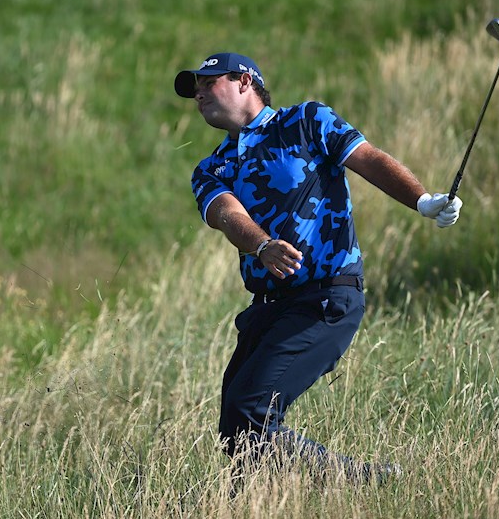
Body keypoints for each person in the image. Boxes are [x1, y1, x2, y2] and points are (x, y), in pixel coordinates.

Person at [174, 52, 462, 483]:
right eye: (195, 88)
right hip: (267, 309)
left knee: (250, 408)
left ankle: (360, 481)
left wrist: (421, 199)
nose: (198, 94)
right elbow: (227, 214)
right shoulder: (211, 168)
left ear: (244, 81)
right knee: (236, 428)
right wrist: (262, 245)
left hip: (325, 298)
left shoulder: (307, 121)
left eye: (208, 82)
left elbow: (369, 159)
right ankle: (267, 506)